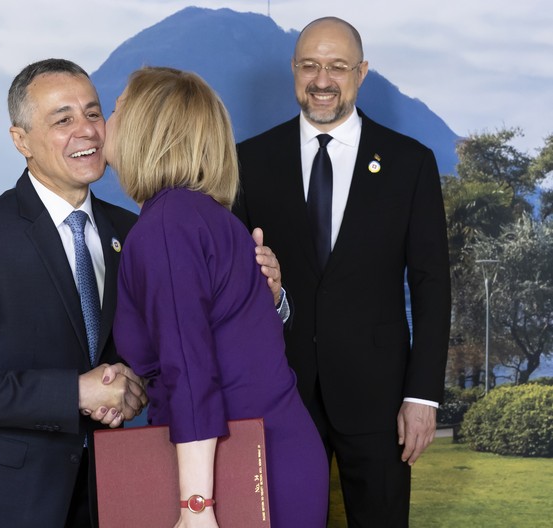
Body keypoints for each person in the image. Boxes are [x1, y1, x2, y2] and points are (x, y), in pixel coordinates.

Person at [0, 58, 149, 528]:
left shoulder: (133, 231)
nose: (88, 132)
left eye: (93, 114)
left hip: (106, 496)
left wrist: (134, 389)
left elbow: (151, 354)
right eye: (64, 119)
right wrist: (73, 391)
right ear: (21, 141)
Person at [232, 17, 452, 527]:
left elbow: (431, 284)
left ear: (362, 72)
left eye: (336, 66)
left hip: (380, 402)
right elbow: (240, 288)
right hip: (279, 392)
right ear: (294, 70)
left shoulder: (409, 163)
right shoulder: (249, 161)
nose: (322, 79)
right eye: (310, 65)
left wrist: (421, 396)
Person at [108, 66, 329, 528]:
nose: (104, 123)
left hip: (239, 472)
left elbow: (189, 370)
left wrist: (196, 506)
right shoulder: (207, 216)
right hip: (268, 455)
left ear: (146, 128)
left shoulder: (166, 227)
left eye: (114, 110)